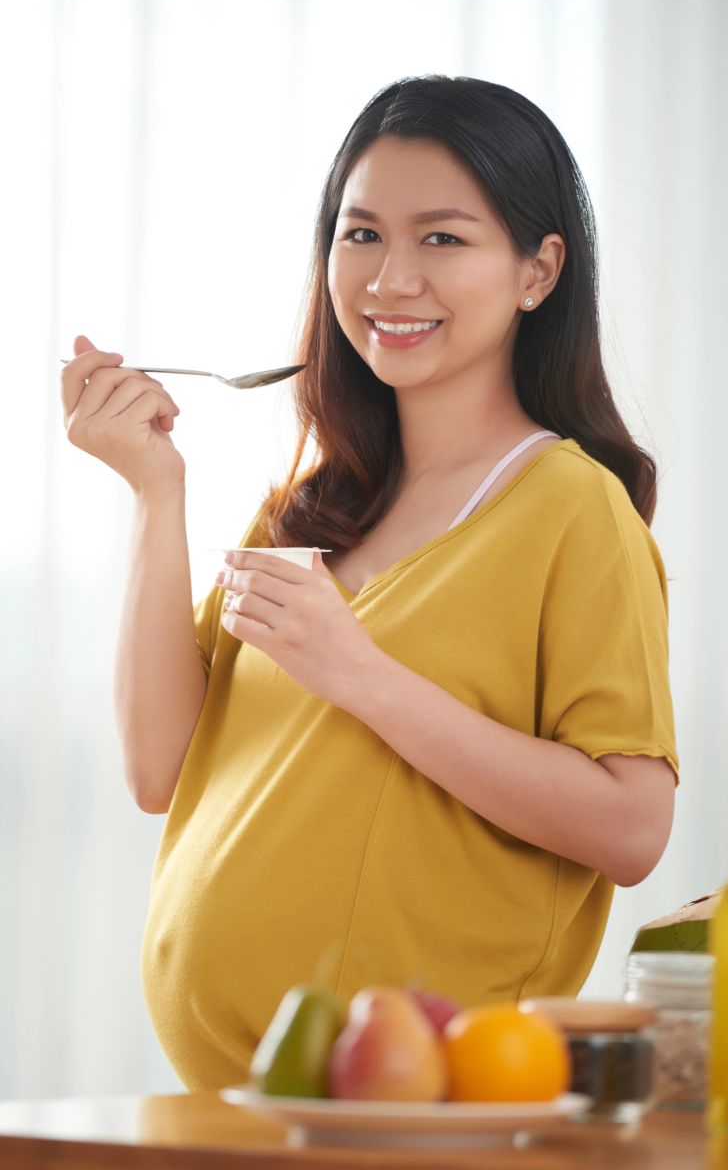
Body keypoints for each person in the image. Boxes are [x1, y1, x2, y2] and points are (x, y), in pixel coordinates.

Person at [61, 74, 678, 1091]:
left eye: (441, 238)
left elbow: (629, 824)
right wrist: (154, 491)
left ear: (537, 270)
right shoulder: (312, 507)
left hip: (418, 1115)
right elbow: (157, 766)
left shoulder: (573, 510)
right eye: (360, 235)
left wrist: (361, 673)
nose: (390, 278)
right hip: (239, 1109)